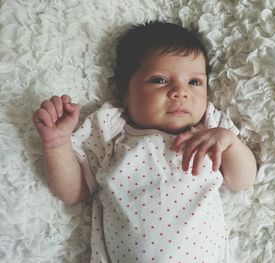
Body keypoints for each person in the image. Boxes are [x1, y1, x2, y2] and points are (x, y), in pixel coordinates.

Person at [32, 21, 257, 263]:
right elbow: (74, 191)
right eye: (160, 80)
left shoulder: (211, 127)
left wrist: (230, 143)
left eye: (194, 82)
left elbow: (242, 181)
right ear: (126, 92)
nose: (180, 92)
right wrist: (57, 143)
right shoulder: (111, 128)